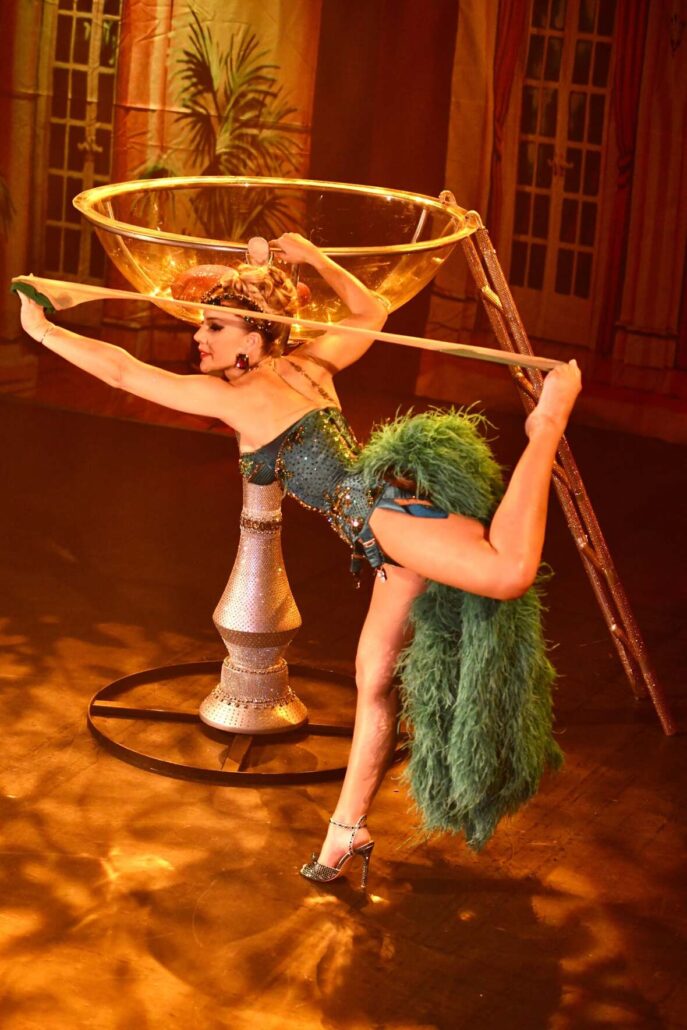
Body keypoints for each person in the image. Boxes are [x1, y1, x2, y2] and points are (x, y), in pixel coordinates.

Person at [17, 233, 581, 888]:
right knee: (374, 680)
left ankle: (546, 424)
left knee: (508, 572)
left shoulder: (239, 397)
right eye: (204, 324)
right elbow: (371, 312)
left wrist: (43, 329)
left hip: (384, 519)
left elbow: (123, 373)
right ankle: (346, 832)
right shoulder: (307, 365)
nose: (198, 337)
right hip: (380, 536)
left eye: (215, 326)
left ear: (254, 339)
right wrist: (313, 259)